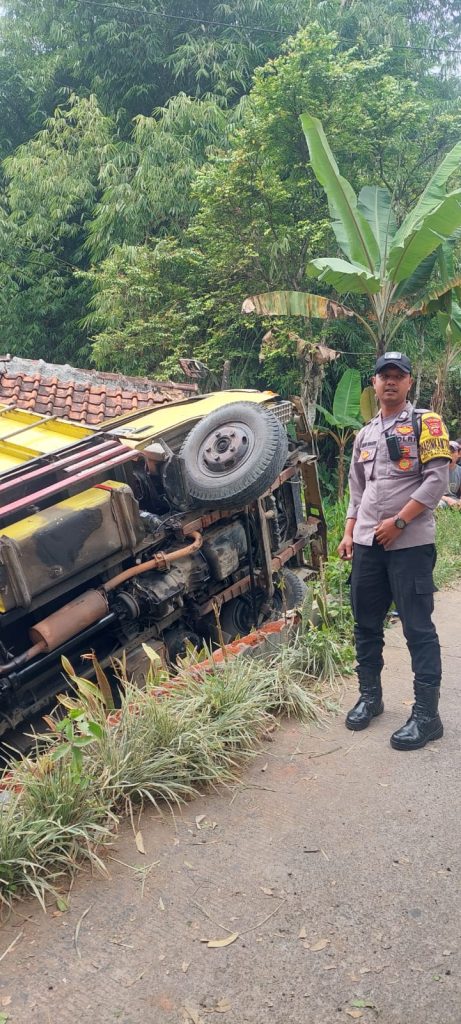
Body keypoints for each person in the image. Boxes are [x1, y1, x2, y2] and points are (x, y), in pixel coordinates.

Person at [338, 351, 451, 751]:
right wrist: (350, 531)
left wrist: (399, 522)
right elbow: (358, 489)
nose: (390, 382)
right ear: (374, 383)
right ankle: (371, 697)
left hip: (410, 546)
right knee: (365, 625)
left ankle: (427, 716)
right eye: (383, 376)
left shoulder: (426, 423)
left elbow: (437, 480)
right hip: (368, 544)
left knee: (418, 629)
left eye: (397, 376)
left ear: (407, 383)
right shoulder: (364, 434)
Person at [438, 440, 461, 507]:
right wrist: (447, 499)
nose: (448, 454)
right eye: (446, 451)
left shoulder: (459, 471)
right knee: (439, 505)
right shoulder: (436, 470)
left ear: (459, 454)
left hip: (454, 501)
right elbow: (430, 493)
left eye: (452, 451)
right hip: (438, 499)